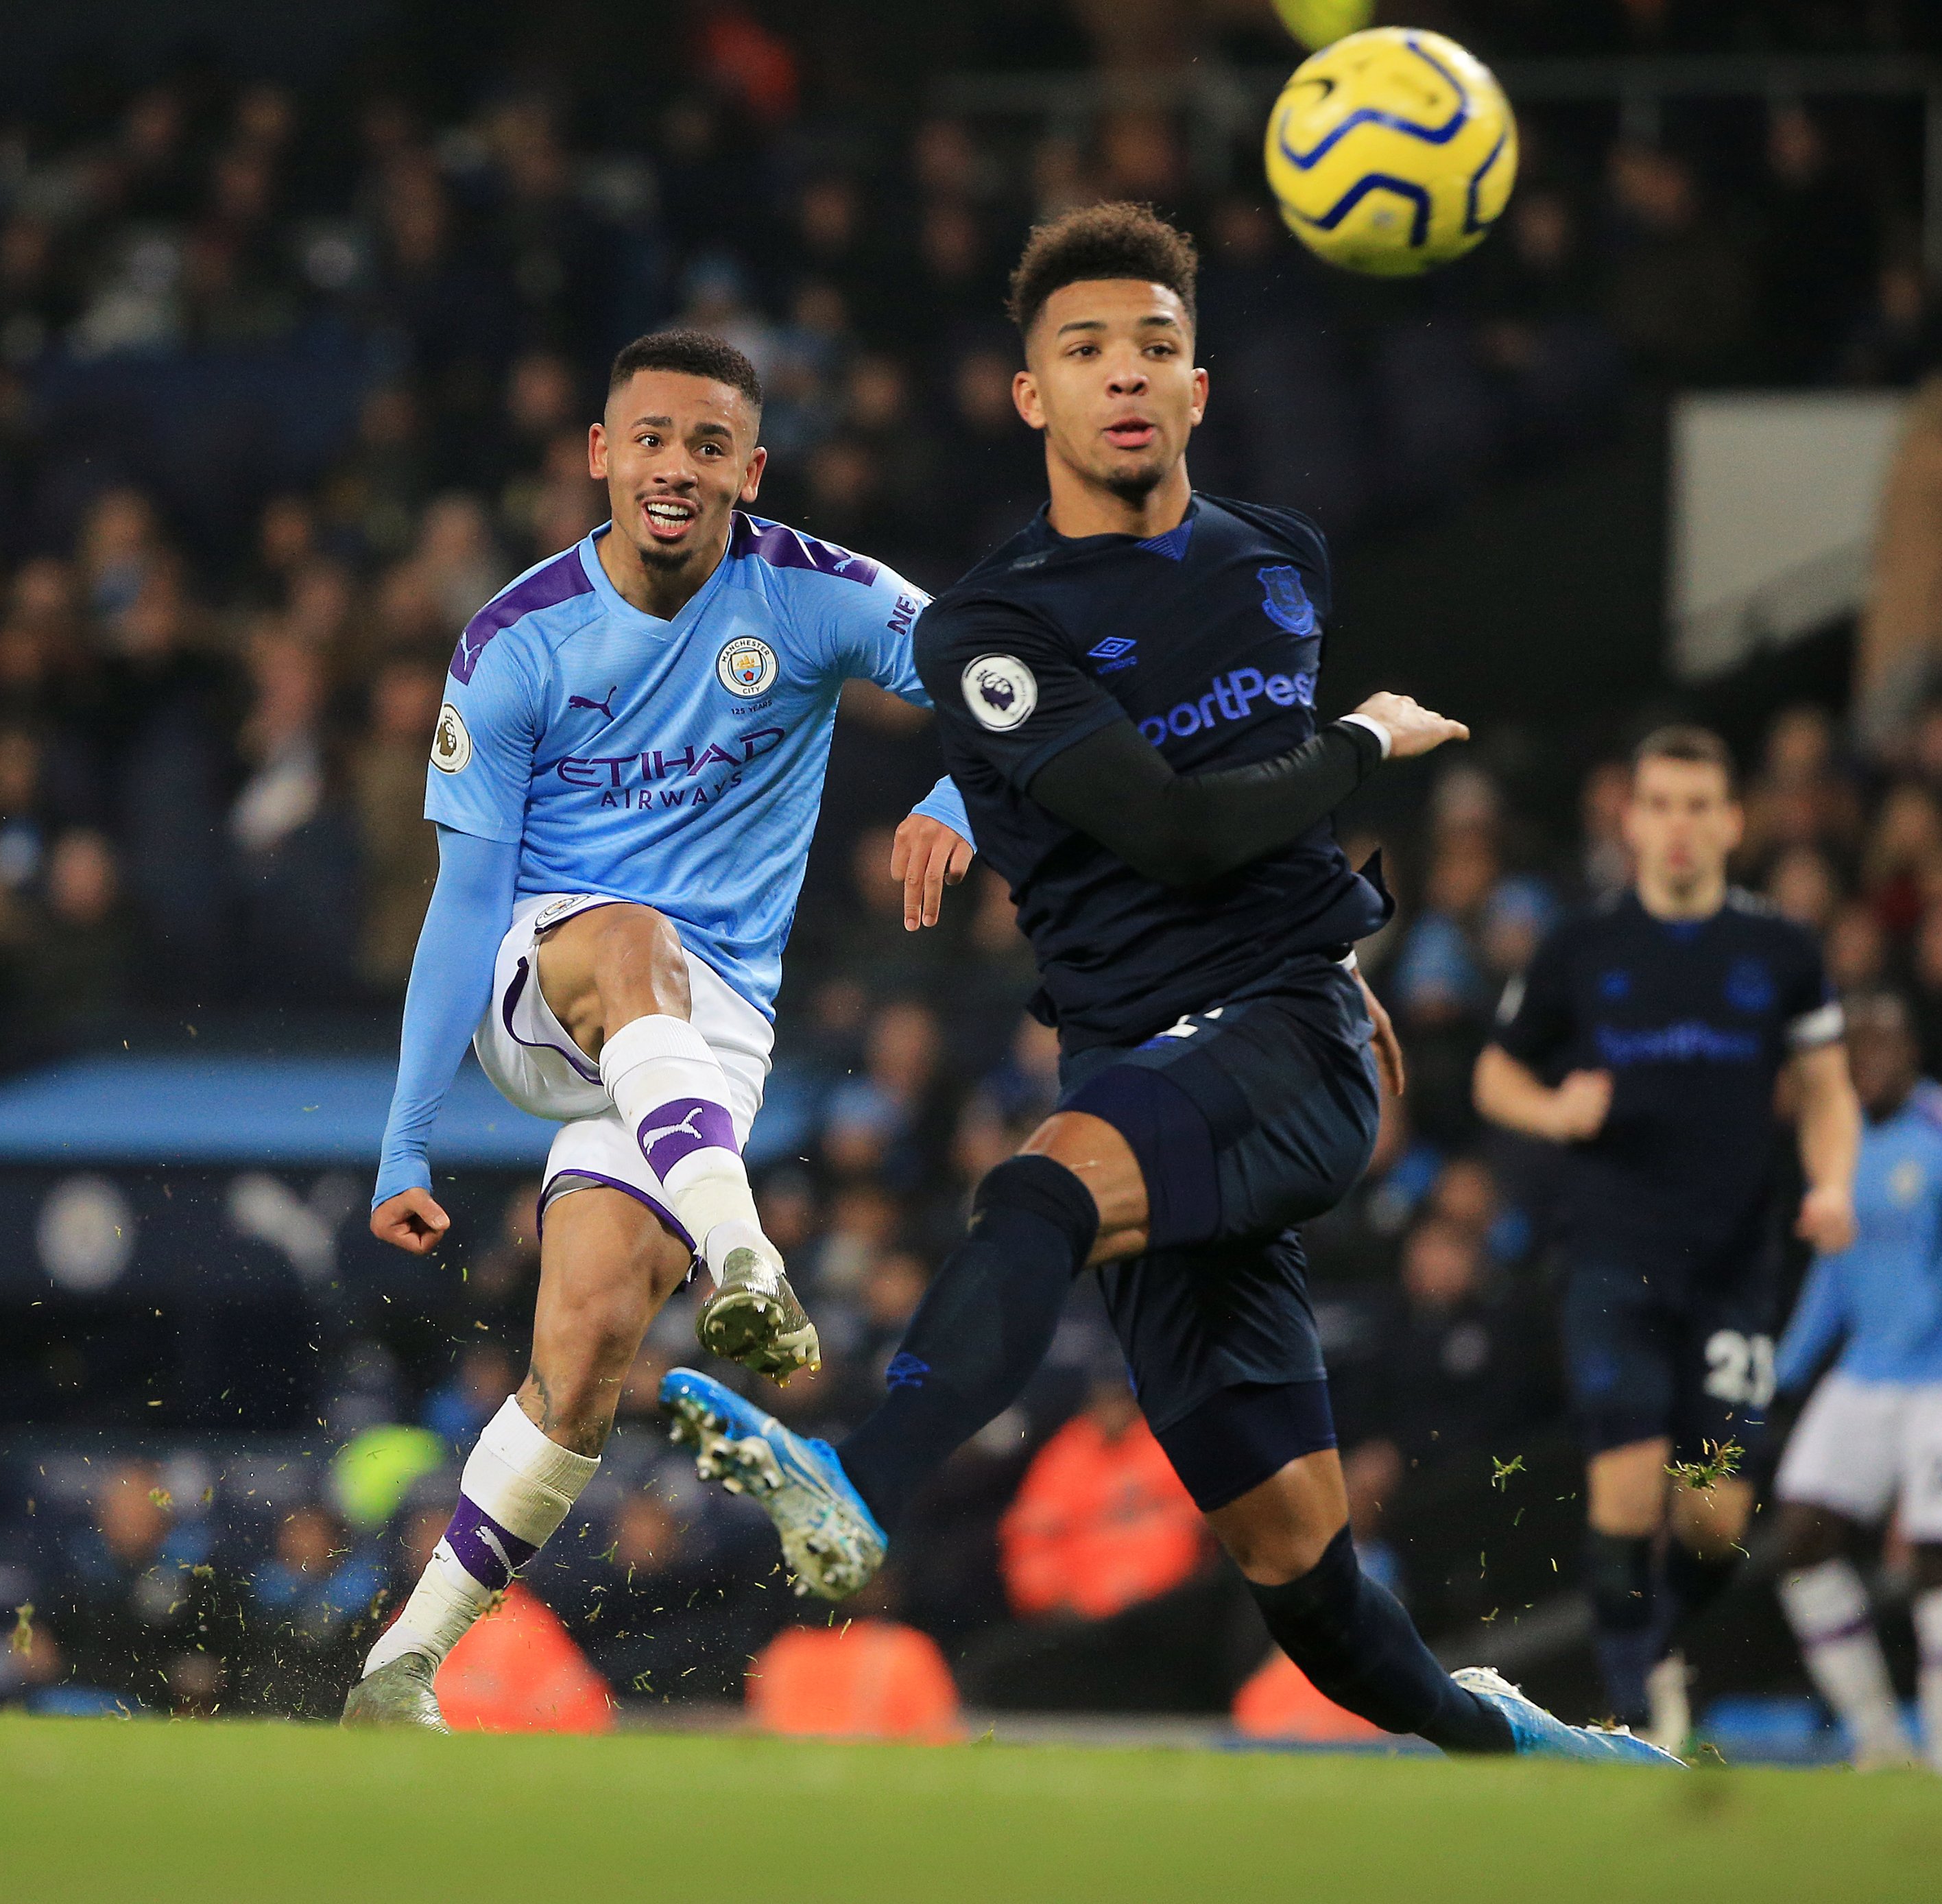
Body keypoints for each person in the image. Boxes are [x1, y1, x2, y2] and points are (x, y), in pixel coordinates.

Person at [660, 202, 1673, 1763]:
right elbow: (1166, 818)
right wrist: (1361, 741)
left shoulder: (1281, 556)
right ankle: (1540, 1755)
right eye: (1084, 349)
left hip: (1280, 1036)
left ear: (1199, 387)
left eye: (1155, 346)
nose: (1123, 374)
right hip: (1156, 1072)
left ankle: (854, 1483)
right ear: (1029, 396)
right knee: (1302, 1581)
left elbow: (1237, 795)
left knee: (1038, 1189)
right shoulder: (998, 621)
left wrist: (1333, 919)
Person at [347, 328, 976, 1728]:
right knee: (633, 936)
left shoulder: (814, 596)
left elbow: (1002, 685)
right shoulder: (515, 639)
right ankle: (745, 1247)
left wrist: (964, 795)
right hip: (545, 979)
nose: (673, 467)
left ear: (748, 470)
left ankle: (399, 1663)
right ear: (599, 455)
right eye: (648, 439)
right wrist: (406, 1140)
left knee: (581, 1360)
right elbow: (458, 910)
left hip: (706, 1036)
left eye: (706, 445)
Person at [1475, 725, 1858, 1744]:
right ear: (1631, 818)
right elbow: (1496, 1074)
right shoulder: (1582, 947)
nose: (1679, 827)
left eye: (1699, 806)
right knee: (1628, 1482)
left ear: (1734, 821)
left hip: (1735, 1265)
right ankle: (1636, 1715)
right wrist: (1558, 1112)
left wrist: (1833, 1181)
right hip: (1612, 1258)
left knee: (1713, 1519)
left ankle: (1661, 1650)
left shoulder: (1779, 951)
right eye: (1661, 804)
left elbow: (1828, 1092)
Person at [1764, 992, 1942, 1770]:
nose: (1865, 1066)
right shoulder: (1833, 1143)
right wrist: (1782, 1372)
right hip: (1865, 1372)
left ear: (1910, 1052)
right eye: (1851, 1055)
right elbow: (1833, 1273)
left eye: (1879, 1050)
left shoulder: (1937, 1130)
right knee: (1800, 1534)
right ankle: (1878, 1740)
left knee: (1935, 1556)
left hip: (1936, 1377)